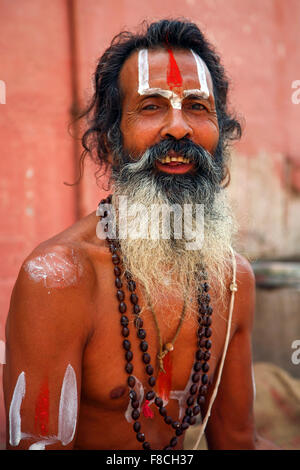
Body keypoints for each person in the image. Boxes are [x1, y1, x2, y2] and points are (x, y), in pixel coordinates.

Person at [4, 19, 278, 450]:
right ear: (111, 143)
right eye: (151, 107)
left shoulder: (231, 280)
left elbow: (239, 440)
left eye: (197, 107)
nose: (178, 128)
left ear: (220, 137)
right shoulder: (58, 280)